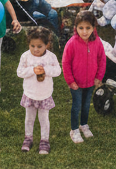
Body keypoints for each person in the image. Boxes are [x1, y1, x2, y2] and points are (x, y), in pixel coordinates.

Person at [61, 9, 106, 143]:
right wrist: (70, 81)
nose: (84, 31)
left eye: (88, 28)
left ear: (93, 28)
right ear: (76, 28)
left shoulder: (97, 42)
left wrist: (99, 77)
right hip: (76, 83)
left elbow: (102, 60)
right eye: (81, 28)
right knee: (77, 106)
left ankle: (84, 125)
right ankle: (74, 129)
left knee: (86, 105)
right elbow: (65, 63)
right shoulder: (72, 43)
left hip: (91, 82)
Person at [17, 26, 61, 154]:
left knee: (44, 119)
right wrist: (32, 70)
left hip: (44, 94)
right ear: (28, 44)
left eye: (39, 46)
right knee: (29, 118)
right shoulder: (25, 56)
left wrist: (46, 70)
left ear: (47, 45)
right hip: (30, 93)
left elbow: (58, 71)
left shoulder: (51, 57)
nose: (35, 49)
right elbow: (19, 72)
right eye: (32, 46)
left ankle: (44, 141)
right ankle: (28, 138)